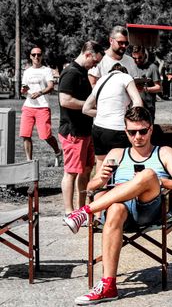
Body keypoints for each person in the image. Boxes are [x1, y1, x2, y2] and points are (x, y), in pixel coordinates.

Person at [64, 107, 172, 305]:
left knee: (148, 175)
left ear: (150, 130)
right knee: (115, 208)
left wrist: (156, 181)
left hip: (148, 209)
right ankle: (108, 286)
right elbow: (89, 187)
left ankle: (84, 212)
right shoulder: (116, 153)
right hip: (120, 211)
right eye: (132, 132)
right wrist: (101, 179)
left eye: (142, 131)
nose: (137, 136)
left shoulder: (164, 152)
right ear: (126, 132)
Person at [58, 41, 105, 219]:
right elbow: (65, 100)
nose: (95, 65)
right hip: (72, 131)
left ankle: (82, 210)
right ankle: (69, 213)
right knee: (70, 173)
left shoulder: (83, 72)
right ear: (87, 54)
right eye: (94, 62)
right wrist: (88, 106)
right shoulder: (70, 72)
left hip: (85, 131)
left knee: (85, 170)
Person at [83, 64, 142, 173]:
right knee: (120, 166)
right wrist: (131, 119)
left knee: (101, 166)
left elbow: (85, 109)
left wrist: (105, 112)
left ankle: (99, 188)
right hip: (117, 129)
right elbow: (138, 102)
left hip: (98, 129)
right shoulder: (126, 77)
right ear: (124, 72)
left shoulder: (101, 80)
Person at [19, 46, 62, 165]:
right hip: (28, 106)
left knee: (46, 135)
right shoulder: (27, 71)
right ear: (30, 56)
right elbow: (24, 88)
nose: (36, 57)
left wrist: (39, 93)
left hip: (42, 107)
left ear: (42, 56)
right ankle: (29, 161)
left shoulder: (46, 70)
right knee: (25, 134)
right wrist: (24, 90)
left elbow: (50, 87)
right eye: (34, 55)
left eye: (38, 54)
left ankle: (58, 152)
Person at [131, 46, 162, 121]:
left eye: (140, 57)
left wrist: (145, 89)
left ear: (145, 55)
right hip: (133, 107)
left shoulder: (153, 67)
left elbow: (159, 88)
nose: (137, 60)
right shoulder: (131, 67)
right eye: (135, 58)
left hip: (148, 108)